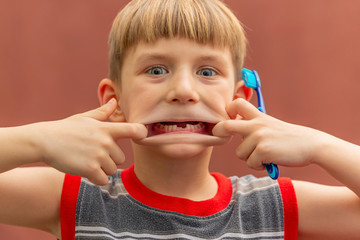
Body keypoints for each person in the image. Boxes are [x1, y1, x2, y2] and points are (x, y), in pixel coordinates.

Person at [0, 0, 359, 239]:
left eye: (206, 71)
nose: (184, 90)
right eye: (157, 70)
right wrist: (36, 141)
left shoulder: (272, 207)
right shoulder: (75, 197)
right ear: (115, 101)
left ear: (239, 101)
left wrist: (320, 146)